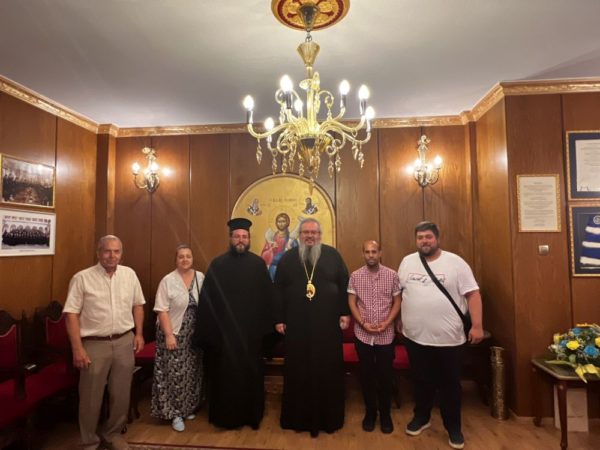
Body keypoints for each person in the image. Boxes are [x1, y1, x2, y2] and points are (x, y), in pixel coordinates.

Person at [397, 221, 484, 450]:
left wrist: (477, 326)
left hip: (450, 340)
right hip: (415, 337)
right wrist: (400, 318)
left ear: (437, 238)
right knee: (421, 381)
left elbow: (473, 295)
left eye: (428, 237)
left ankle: (453, 427)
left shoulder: (456, 263)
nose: (424, 241)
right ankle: (422, 417)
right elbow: (401, 294)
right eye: (420, 237)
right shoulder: (407, 262)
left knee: (450, 385)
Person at [64, 235, 145, 450]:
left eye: (116, 251)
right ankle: (89, 441)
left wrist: (138, 334)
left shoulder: (129, 275)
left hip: (124, 341)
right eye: (107, 251)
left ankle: (113, 434)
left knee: (121, 394)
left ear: (121, 253)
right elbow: (71, 314)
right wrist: (77, 348)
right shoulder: (82, 278)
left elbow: (138, 305)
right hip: (94, 344)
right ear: (98, 253)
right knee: (91, 397)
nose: (112, 256)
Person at [194, 218, 273, 430]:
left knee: (250, 375)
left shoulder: (258, 265)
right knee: (225, 377)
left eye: (244, 236)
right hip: (224, 337)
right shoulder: (217, 265)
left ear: (249, 239)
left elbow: (267, 300)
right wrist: (211, 335)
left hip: (250, 336)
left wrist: (265, 334)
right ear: (230, 238)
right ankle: (225, 418)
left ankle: (251, 416)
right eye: (237, 236)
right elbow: (208, 301)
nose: (240, 240)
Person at [274, 218, 350, 437]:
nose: (310, 236)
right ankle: (297, 418)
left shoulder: (333, 256)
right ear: (300, 235)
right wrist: (279, 318)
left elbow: (344, 285)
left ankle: (329, 418)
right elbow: (278, 290)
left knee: (327, 368)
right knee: (298, 370)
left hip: (327, 326)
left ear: (320, 235)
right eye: (306, 232)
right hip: (296, 326)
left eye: (314, 232)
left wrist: (344, 312)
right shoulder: (288, 258)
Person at [347, 240, 401, 434]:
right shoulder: (355, 276)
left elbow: (397, 301)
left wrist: (387, 323)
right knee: (367, 376)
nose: (371, 255)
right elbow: (351, 302)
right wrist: (362, 323)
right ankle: (370, 413)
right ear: (363, 254)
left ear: (380, 253)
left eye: (374, 251)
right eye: (367, 252)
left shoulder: (392, 275)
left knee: (385, 376)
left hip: (386, 335)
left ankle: (385, 415)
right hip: (363, 334)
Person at [151, 244, 205, 432]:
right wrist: (169, 335)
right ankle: (174, 413)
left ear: (192, 258)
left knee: (191, 373)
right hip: (173, 333)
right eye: (181, 256)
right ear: (176, 259)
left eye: (188, 256)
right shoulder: (168, 280)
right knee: (173, 374)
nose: (185, 259)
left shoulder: (200, 277)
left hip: (193, 335)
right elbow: (161, 309)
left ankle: (187, 408)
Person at [261, 212, 298, 280]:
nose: (281, 223)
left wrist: (291, 250)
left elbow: (298, 257)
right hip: (273, 269)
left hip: (288, 270)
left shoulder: (292, 239)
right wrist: (271, 249)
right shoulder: (271, 238)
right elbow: (263, 255)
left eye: (283, 221)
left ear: (287, 222)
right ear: (276, 223)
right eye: (279, 221)